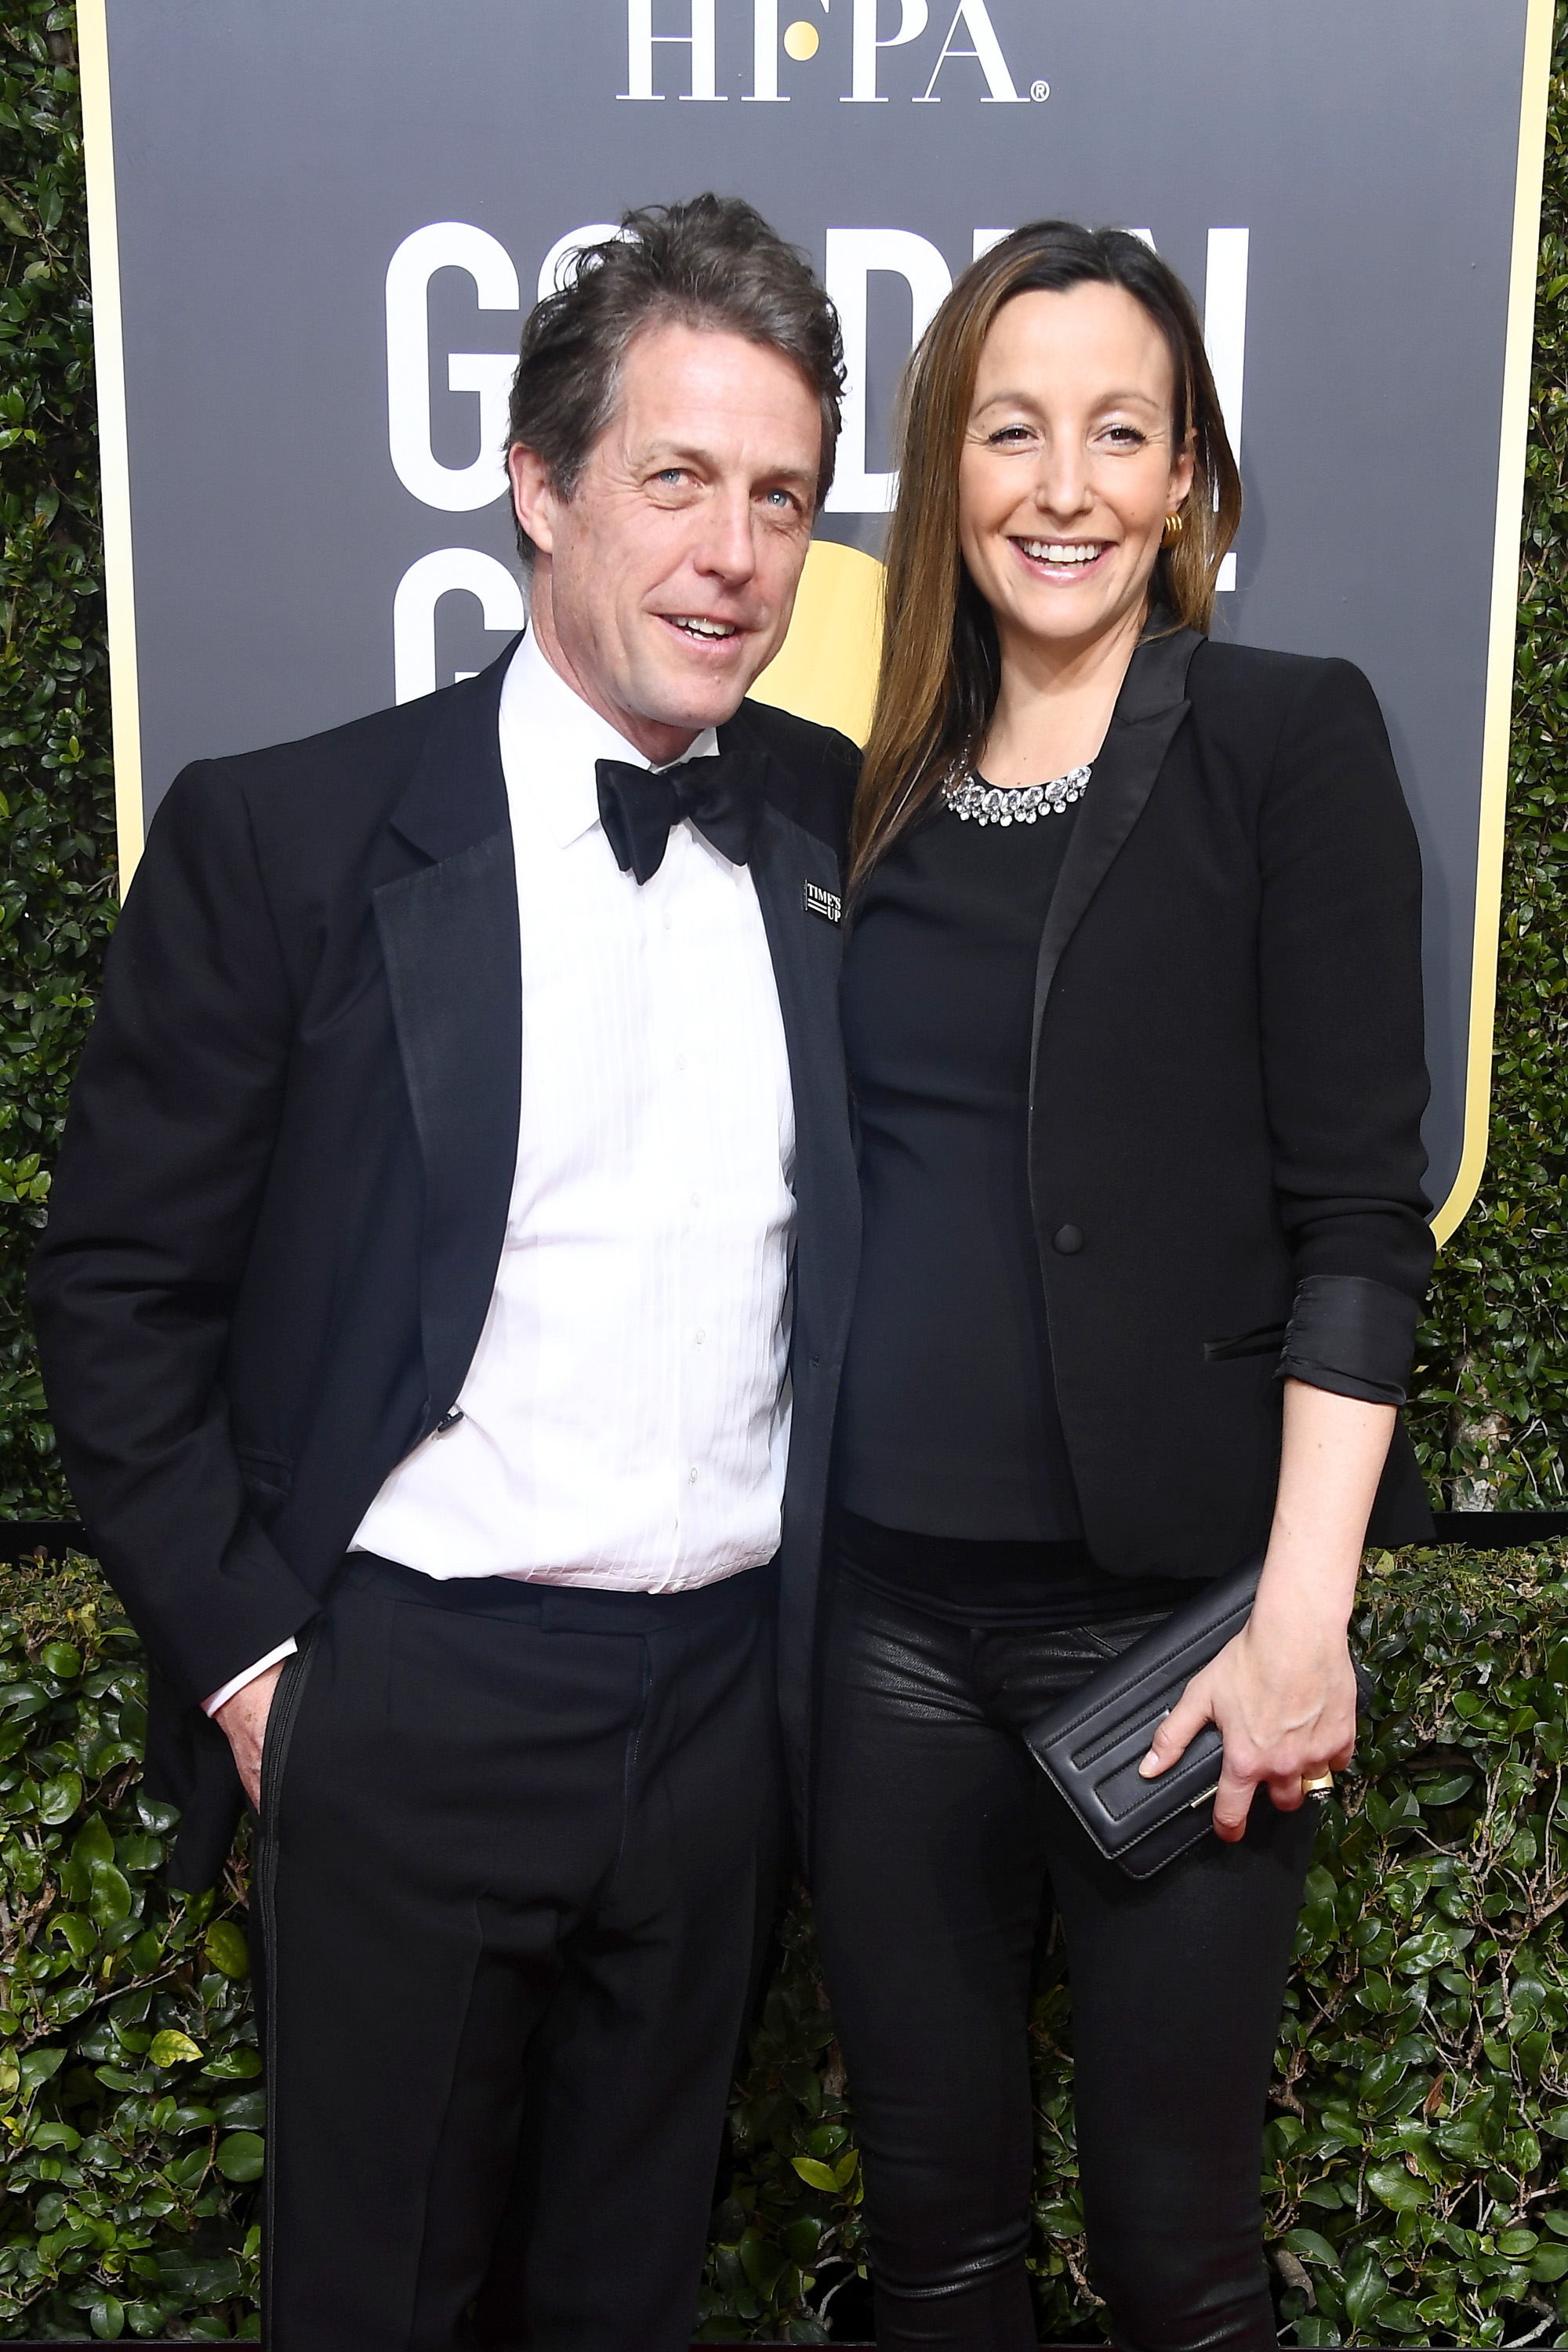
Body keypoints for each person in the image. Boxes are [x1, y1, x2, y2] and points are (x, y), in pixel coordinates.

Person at [28, 194, 862, 2352]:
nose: (733, 555)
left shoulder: (843, 833)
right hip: (407, 1702)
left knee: (629, 2306)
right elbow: (117, 1289)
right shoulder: (286, 839)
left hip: (719, 1736)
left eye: (780, 497)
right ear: (540, 488)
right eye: (678, 480)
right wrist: (255, 1670)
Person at [809, 221, 1435, 2352]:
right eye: (1012, 428)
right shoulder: (857, 795)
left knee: (1181, 2267)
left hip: (1178, 1628)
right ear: (943, 467)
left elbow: (1361, 1214)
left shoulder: (1285, 742)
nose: (1062, 485)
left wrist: (1300, 1628)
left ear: (1190, 483)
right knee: (936, 2258)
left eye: (1119, 432)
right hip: (882, 1630)